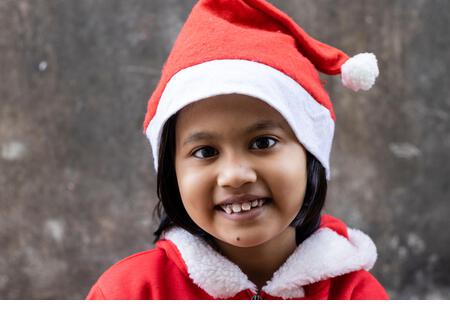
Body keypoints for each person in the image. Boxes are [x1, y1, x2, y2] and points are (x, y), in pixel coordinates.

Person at [86, 0, 388, 299]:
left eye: (263, 143)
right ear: (171, 172)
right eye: (205, 152)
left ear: (312, 155)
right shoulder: (127, 295)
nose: (234, 176)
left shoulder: (356, 297)